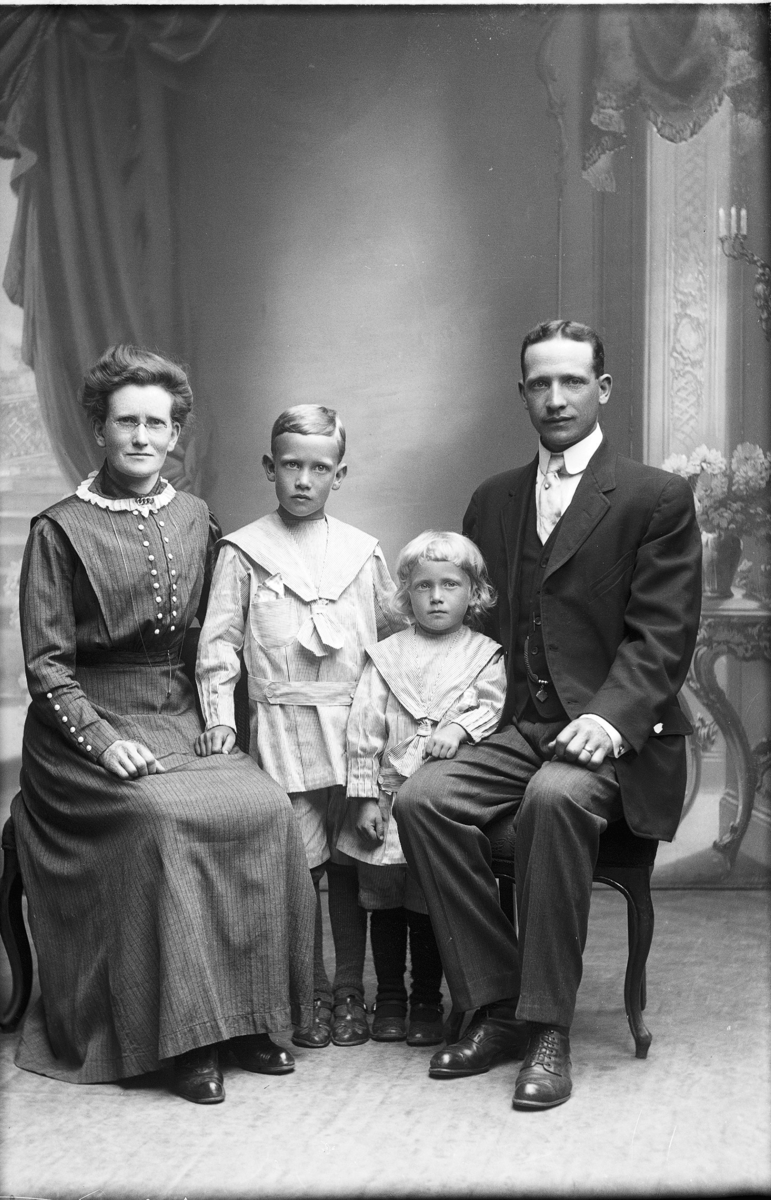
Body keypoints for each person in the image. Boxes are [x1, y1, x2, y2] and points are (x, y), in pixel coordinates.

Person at [394, 319, 702, 1109]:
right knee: (423, 800)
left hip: (619, 741)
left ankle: (547, 1028)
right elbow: (478, 632)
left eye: (572, 381)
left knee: (555, 797)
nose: (556, 398)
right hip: (520, 726)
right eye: (541, 383)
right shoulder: (492, 499)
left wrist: (609, 718)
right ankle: (497, 1004)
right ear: (522, 393)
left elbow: (664, 635)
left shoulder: (655, 498)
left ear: (603, 388)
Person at [11, 345, 315, 1106]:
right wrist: (103, 741)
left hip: (179, 714)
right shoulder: (58, 529)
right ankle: (188, 1039)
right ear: (100, 431)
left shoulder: (196, 518)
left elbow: (217, 635)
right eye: (126, 423)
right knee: (162, 820)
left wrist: (220, 717)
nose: (142, 437)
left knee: (266, 808)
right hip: (82, 734)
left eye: (157, 423)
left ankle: (250, 1021)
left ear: (176, 434)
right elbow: (46, 668)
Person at [195, 404, 400, 1049]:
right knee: (299, 865)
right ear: (269, 468)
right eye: (290, 465)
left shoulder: (362, 552)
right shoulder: (244, 551)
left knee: (353, 861)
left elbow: (396, 642)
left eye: (318, 467)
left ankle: (350, 989)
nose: (303, 480)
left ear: (340, 473)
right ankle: (307, 987)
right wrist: (220, 720)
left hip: (357, 731)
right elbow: (218, 644)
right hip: (282, 728)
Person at [337, 531, 506, 1046]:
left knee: (429, 899)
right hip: (388, 798)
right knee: (384, 897)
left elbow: (493, 705)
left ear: (473, 593)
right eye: (422, 586)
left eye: (450, 585)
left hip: (439, 804)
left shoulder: (484, 654)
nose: (436, 597)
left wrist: (459, 728)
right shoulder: (387, 655)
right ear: (405, 593)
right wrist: (365, 797)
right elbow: (363, 729)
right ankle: (390, 998)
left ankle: (427, 1001)